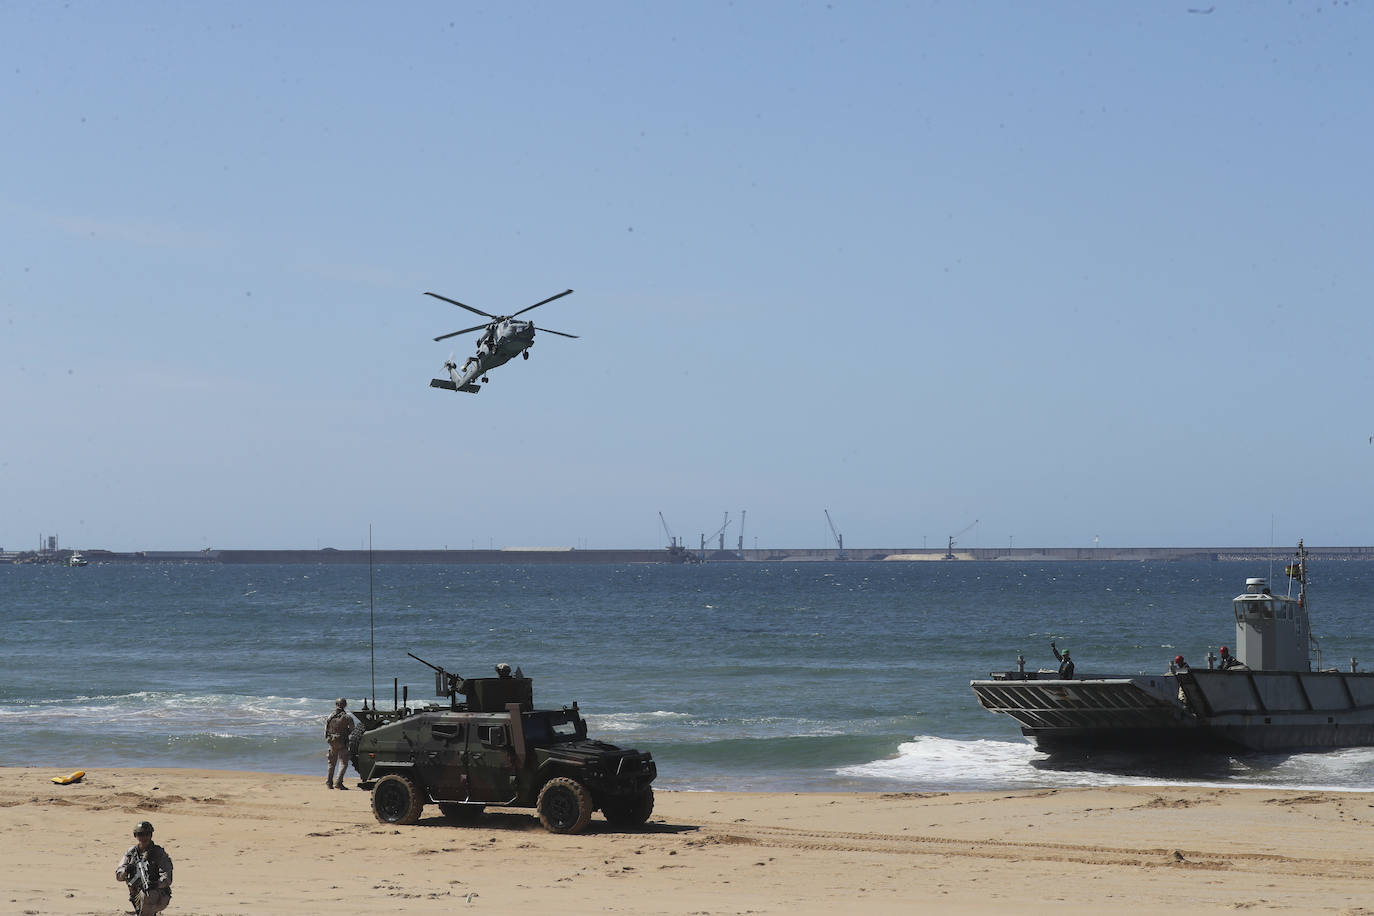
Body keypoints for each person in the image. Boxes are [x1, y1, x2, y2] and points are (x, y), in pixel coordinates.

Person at [115, 820, 172, 915]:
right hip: (136, 894)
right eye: (140, 834)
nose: (144, 837)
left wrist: (155, 884)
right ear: (135, 836)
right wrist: (126, 869)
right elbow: (118, 876)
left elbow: (167, 878)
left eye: (147, 834)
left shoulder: (159, 853)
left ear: (151, 835)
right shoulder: (131, 852)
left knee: (147, 895)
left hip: (159, 895)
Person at [325, 697, 355, 790]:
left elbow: (326, 729)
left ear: (336, 705)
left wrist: (328, 739)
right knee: (343, 762)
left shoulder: (330, 716)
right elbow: (352, 729)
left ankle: (329, 782)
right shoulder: (347, 717)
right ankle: (338, 782)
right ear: (345, 705)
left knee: (331, 763)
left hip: (332, 741)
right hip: (342, 742)